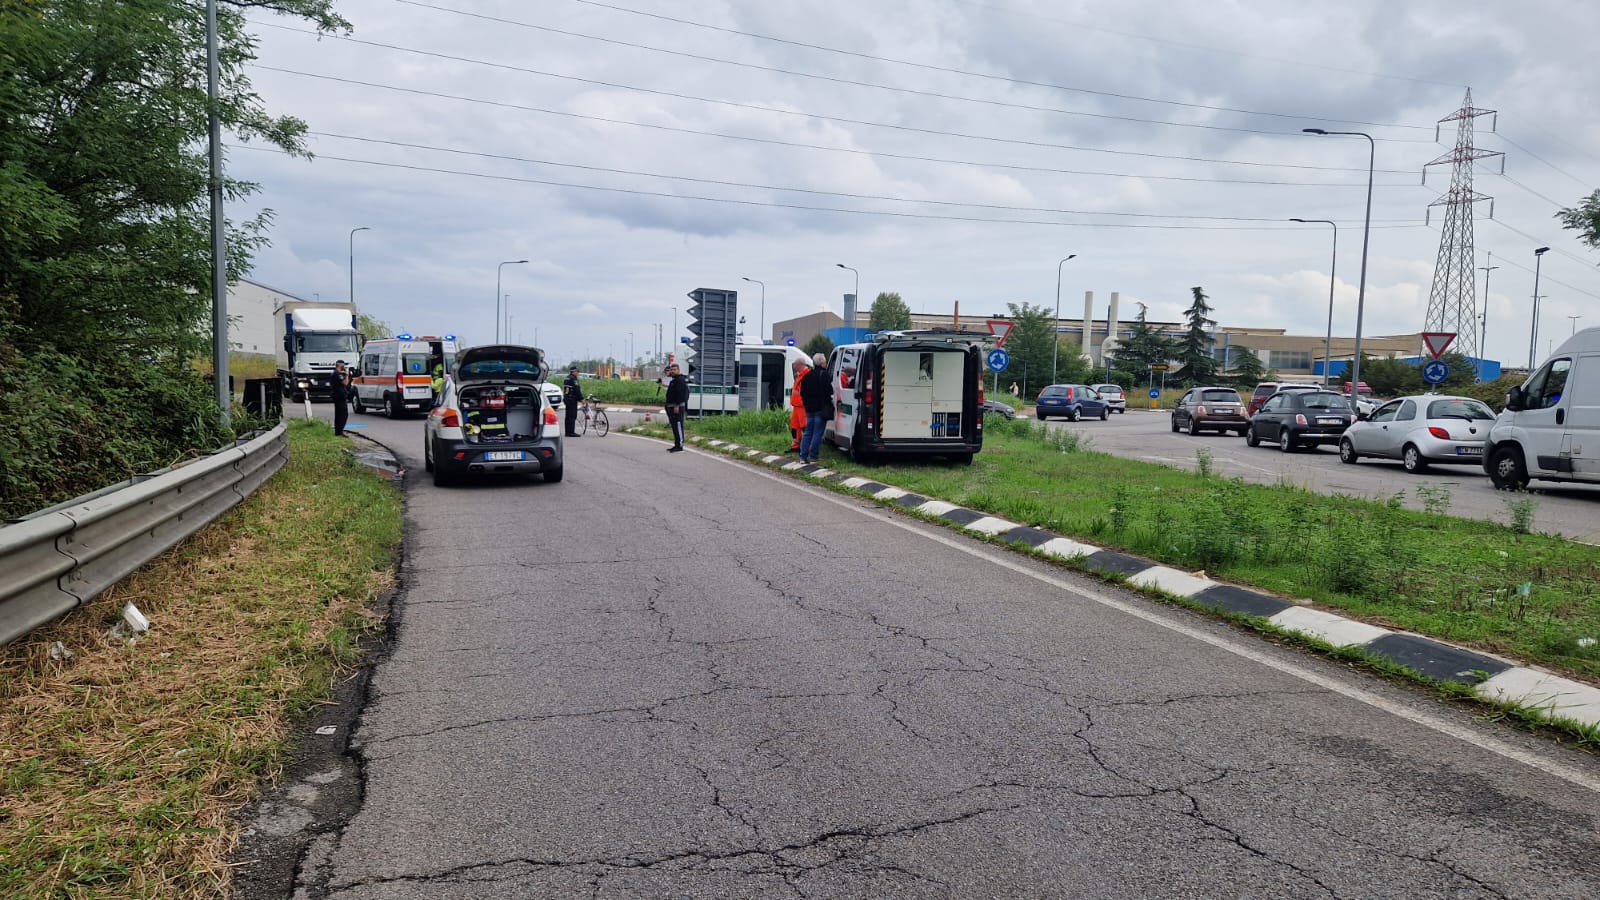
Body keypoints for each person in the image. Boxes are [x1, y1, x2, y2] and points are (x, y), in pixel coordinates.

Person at [797, 352, 833, 464]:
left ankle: (802, 457)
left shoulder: (807, 376)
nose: (826, 363)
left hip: (809, 409)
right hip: (820, 409)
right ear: (822, 363)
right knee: (817, 433)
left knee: (808, 432)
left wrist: (807, 403)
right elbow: (829, 391)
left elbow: (802, 392)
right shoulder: (824, 375)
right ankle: (813, 457)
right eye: (825, 361)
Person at [663, 362, 688, 452]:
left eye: (674, 370)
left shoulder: (680, 380)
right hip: (671, 406)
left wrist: (677, 405)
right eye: (671, 370)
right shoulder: (674, 380)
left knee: (678, 425)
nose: (672, 371)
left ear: (678, 370)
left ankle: (680, 445)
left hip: (677, 407)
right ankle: (676, 444)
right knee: (674, 426)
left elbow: (681, 394)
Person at [787, 356, 809, 452]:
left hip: (802, 406)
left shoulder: (806, 376)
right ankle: (796, 446)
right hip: (797, 406)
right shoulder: (800, 375)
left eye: (795, 365)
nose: (794, 367)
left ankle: (807, 448)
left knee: (804, 426)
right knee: (794, 426)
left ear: (800, 364)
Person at [331, 359, 353, 436]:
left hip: (338, 396)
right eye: (343, 365)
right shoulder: (337, 374)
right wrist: (347, 375)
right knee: (343, 414)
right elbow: (345, 383)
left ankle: (338, 431)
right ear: (340, 365)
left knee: (339, 414)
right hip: (339, 396)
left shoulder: (335, 373)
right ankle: (339, 431)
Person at [563, 365, 583, 437]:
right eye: (577, 371)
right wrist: (581, 399)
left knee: (568, 416)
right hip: (572, 399)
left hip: (567, 398)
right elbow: (577, 390)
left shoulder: (567, 378)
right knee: (572, 416)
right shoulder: (573, 379)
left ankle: (567, 432)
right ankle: (571, 432)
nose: (578, 373)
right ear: (573, 372)